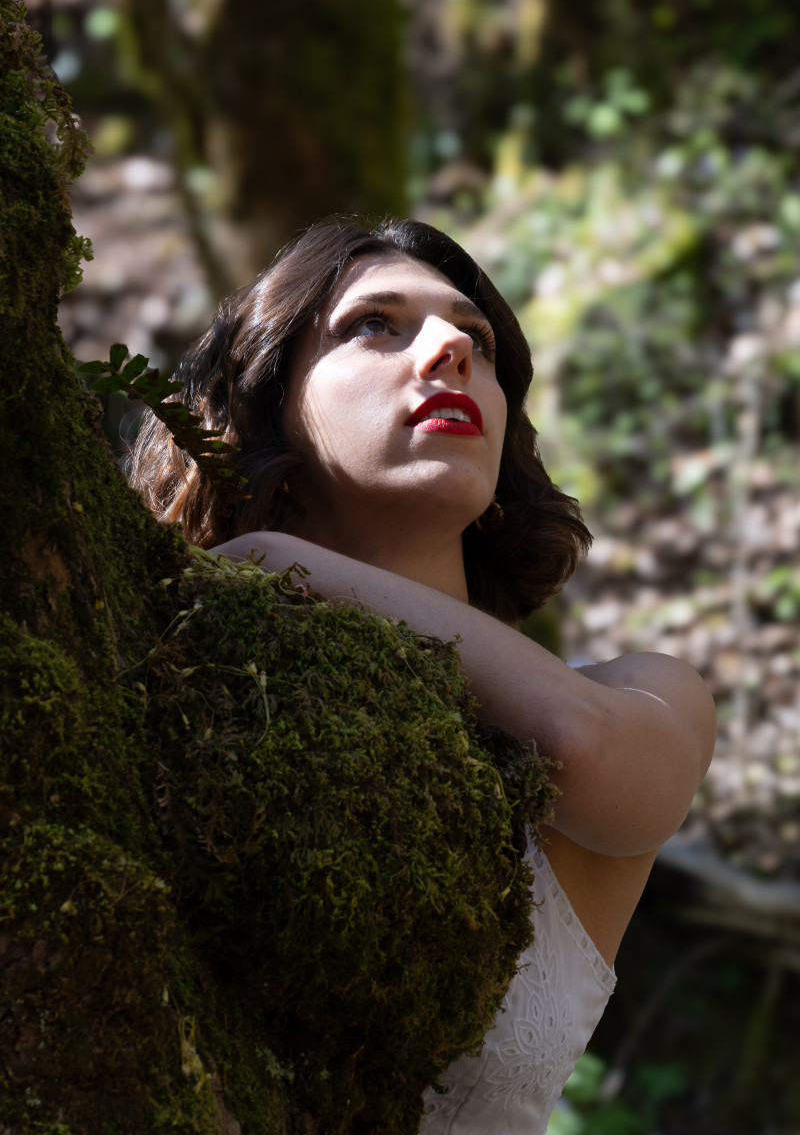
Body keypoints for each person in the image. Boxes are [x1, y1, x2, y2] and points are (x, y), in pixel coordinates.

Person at [128, 216, 716, 1135]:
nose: (448, 348)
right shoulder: (157, 673)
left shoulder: (647, 691)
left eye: (475, 340)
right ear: (267, 403)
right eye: (375, 325)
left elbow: (577, 749)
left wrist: (283, 559)